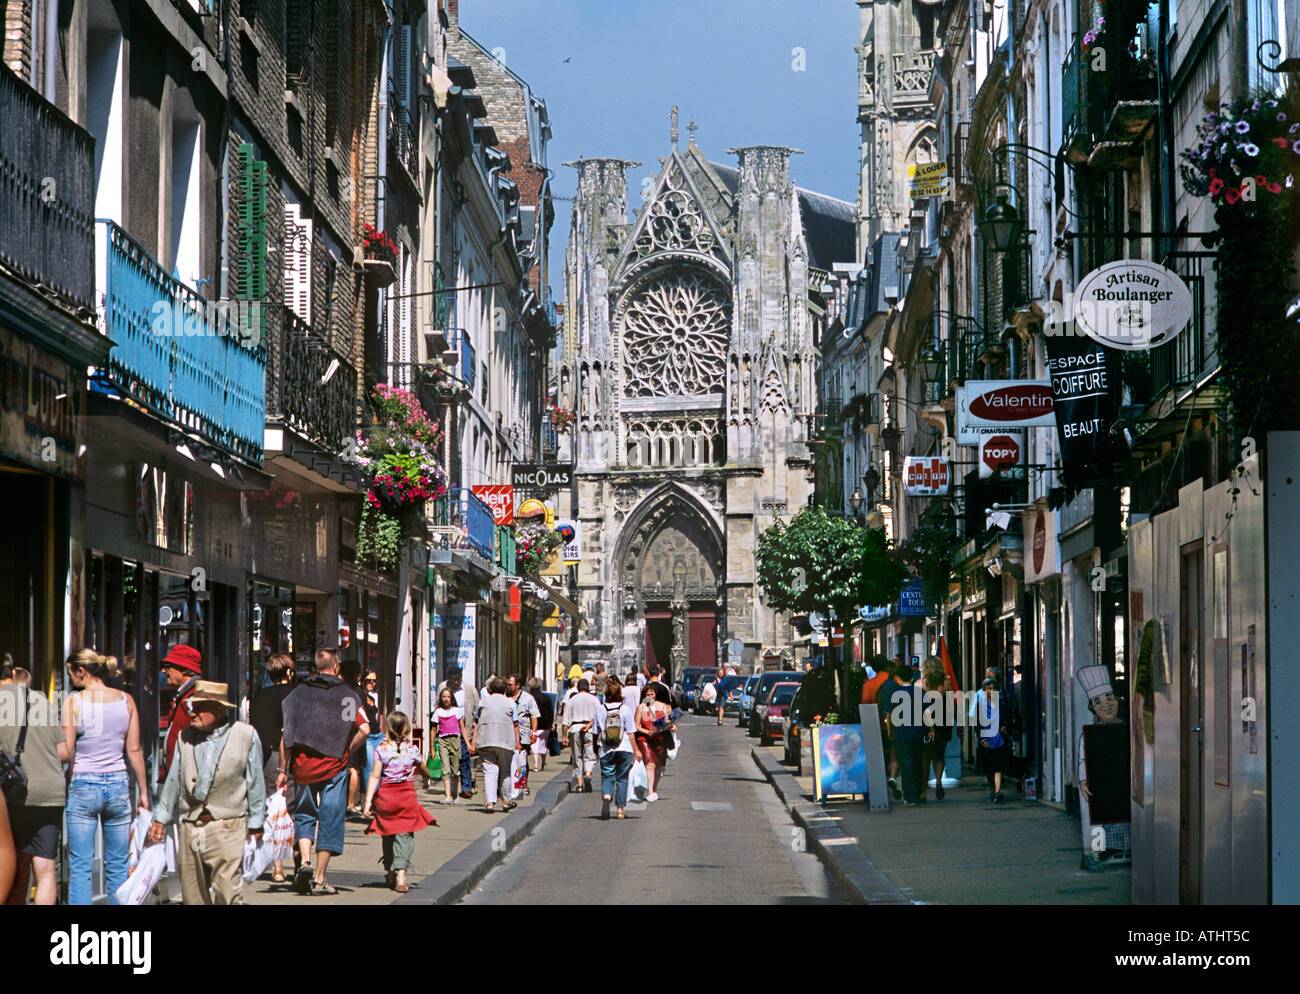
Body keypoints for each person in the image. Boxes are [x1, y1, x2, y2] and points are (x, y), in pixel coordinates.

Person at [150, 682, 265, 905]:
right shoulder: (185, 738)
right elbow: (173, 779)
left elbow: (255, 782)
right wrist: (160, 818)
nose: (194, 712)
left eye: (201, 707)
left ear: (220, 710)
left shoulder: (245, 735)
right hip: (191, 825)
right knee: (193, 895)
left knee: (228, 892)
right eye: (193, 706)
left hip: (227, 825)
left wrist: (257, 822)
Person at [278, 648, 369, 896]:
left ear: (315, 667)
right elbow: (363, 729)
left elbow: (287, 734)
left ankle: (304, 861)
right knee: (330, 817)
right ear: (336, 667)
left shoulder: (298, 694)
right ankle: (319, 878)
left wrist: (283, 768)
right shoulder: (347, 696)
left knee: (305, 813)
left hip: (303, 766)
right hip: (334, 765)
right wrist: (346, 750)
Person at [62, 650, 150, 906]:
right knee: (118, 864)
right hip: (118, 784)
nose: (71, 679)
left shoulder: (73, 702)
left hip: (83, 784)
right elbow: (134, 751)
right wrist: (143, 791)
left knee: (80, 866)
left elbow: (67, 752)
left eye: (71, 673)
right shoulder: (126, 700)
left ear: (82, 671)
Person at [1, 654, 68, 905]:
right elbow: (63, 752)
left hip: (13, 797)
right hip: (51, 792)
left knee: (13, 867)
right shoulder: (38, 698)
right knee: (46, 869)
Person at [363, 711, 436, 893]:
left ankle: (389, 870)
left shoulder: (381, 750)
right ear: (406, 729)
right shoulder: (412, 749)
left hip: (387, 797)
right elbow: (422, 767)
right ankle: (401, 875)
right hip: (406, 796)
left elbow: (375, 775)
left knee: (387, 833)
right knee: (404, 836)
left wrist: (368, 801)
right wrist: (427, 778)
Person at [249, 652, 295, 883]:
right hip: (290, 757)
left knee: (273, 809)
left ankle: (277, 867)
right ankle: (299, 860)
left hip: (267, 756)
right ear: (289, 672)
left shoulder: (260, 696)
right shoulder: (295, 695)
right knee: (294, 809)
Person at [469, 678, 520, 813]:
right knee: (505, 771)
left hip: (485, 740)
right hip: (505, 741)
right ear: (505, 689)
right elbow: (515, 724)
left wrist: (473, 742)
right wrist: (518, 741)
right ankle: (506, 802)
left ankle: (490, 803)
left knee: (489, 771)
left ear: (490, 689)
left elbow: (476, 723)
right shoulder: (511, 703)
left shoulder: (483, 703)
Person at [158, 643, 203, 786]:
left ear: (184, 669)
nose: (163, 671)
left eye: (168, 666)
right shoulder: (185, 695)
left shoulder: (195, 697)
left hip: (187, 781)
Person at [597, 679, 637, 820]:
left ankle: (607, 797)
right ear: (620, 693)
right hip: (624, 747)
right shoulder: (625, 709)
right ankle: (620, 810)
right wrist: (636, 751)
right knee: (622, 779)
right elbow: (631, 732)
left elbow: (596, 731)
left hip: (606, 749)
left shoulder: (600, 709)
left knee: (608, 777)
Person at [436, 668, 478, 800]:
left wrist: (473, 738)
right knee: (449, 761)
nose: (456, 683)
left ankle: (466, 788)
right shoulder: (443, 687)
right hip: (447, 730)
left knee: (464, 759)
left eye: (458, 680)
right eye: (453, 680)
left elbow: (476, 707)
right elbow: (437, 706)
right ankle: (452, 790)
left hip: (464, 729)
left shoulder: (469, 688)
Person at [888, 667, 926, 805]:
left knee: (906, 763)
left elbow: (889, 715)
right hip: (918, 732)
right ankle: (917, 792)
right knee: (917, 762)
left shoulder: (894, 693)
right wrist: (930, 729)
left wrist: (890, 731)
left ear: (898, 678)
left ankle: (909, 796)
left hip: (901, 733)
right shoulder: (920, 692)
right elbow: (927, 713)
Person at [350, 669, 383, 819]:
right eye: (369, 680)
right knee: (370, 769)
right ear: (362, 681)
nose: (372, 683)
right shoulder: (359, 696)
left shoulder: (372, 698)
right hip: (367, 737)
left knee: (380, 769)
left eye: (374, 681)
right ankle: (368, 803)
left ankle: (377, 802)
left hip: (378, 735)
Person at [634, 683, 675, 802]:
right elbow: (636, 726)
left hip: (660, 739)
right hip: (645, 739)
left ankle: (654, 788)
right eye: (647, 694)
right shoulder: (641, 707)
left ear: (655, 694)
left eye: (652, 694)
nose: (650, 696)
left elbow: (668, 723)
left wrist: (671, 726)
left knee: (658, 766)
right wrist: (647, 732)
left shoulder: (663, 706)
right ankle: (650, 791)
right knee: (650, 764)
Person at [921, 656, 954, 801]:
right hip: (944, 720)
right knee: (939, 755)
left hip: (928, 720)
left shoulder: (924, 682)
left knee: (925, 756)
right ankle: (939, 782)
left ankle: (922, 791)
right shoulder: (946, 681)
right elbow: (952, 703)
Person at [975, 677, 1012, 803]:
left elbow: (1006, 716)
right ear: (984, 690)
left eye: (994, 688)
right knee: (988, 768)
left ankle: (997, 792)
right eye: (988, 688)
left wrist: (1004, 726)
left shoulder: (1001, 702)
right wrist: (981, 739)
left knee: (998, 767)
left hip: (999, 739)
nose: (991, 691)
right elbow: (976, 724)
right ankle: (992, 789)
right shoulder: (979, 704)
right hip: (986, 739)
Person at [563, 679, 600, 793]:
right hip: (589, 729)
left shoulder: (572, 700)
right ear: (588, 687)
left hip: (575, 728)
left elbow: (565, 720)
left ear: (578, 688)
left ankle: (579, 785)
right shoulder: (594, 699)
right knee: (589, 755)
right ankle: (588, 774)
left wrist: (564, 736)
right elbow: (599, 716)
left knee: (577, 757)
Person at [506, 674, 540, 792]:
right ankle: (509, 783)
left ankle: (522, 784)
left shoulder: (527, 698)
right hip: (508, 733)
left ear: (518, 685)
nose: (508, 687)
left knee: (522, 759)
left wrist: (534, 733)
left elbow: (534, 716)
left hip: (523, 733)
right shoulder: (505, 697)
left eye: (510, 685)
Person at [432, 688, 463, 804]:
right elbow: (433, 730)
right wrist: (432, 748)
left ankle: (455, 794)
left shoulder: (457, 711)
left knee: (455, 769)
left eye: (448, 697)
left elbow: (462, 727)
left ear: (451, 699)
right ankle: (448, 796)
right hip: (442, 740)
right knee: (445, 769)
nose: (446, 699)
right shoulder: (438, 712)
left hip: (455, 739)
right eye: (444, 697)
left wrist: (469, 743)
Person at [527, 677, 552, 773]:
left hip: (533, 724)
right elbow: (550, 712)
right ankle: (543, 762)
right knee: (543, 743)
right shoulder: (546, 697)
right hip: (545, 725)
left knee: (534, 744)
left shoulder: (528, 697)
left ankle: (536, 764)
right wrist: (550, 723)